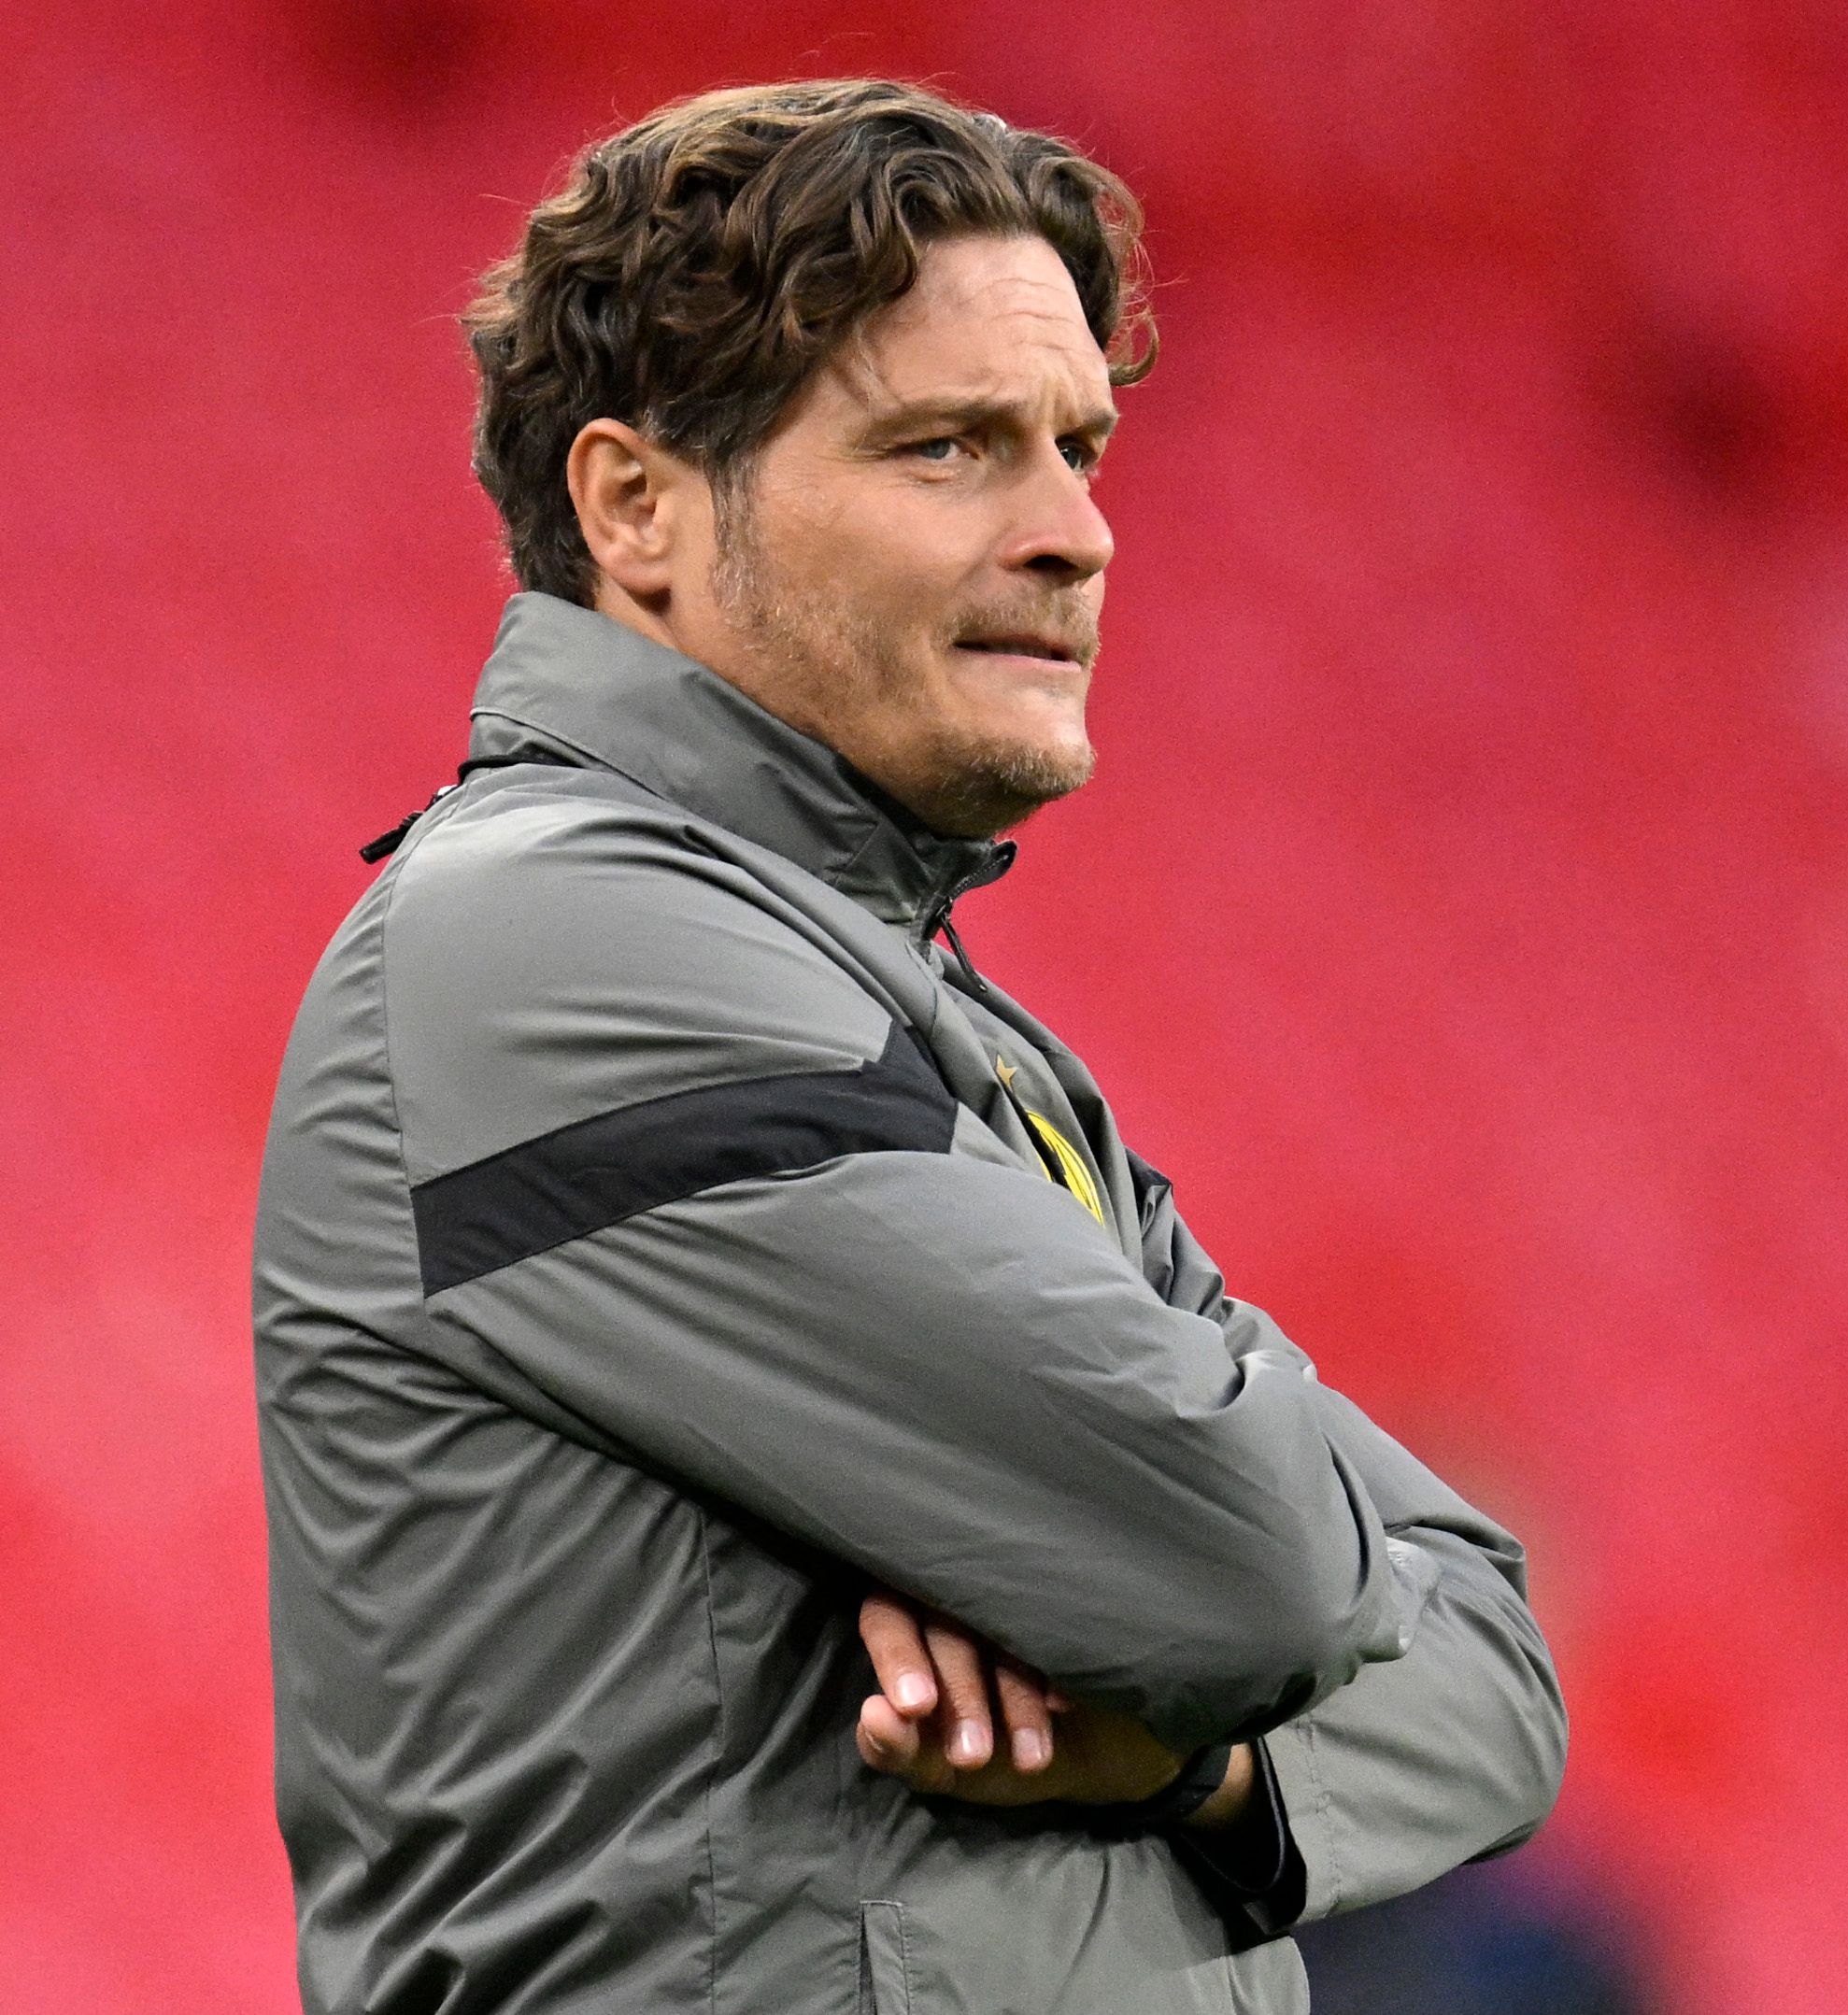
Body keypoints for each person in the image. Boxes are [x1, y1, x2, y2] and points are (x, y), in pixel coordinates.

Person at [252, 79, 1564, 2014]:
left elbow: (1500, 1669)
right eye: (946, 448)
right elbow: (1262, 1554)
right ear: (636, 507)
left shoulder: (928, 1014)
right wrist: (1217, 1596)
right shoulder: (557, 941)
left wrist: (1197, 1760)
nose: (1074, 534)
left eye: (1078, 448)